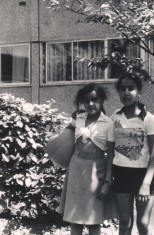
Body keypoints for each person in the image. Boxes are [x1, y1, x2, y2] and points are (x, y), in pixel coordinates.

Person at [59, 83, 117, 235]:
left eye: (94, 99)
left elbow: (111, 154)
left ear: (102, 100)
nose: (90, 104)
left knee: (93, 220)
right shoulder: (78, 118)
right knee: (75, 219)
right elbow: (65, 136)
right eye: (86, 100)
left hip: (96, 172)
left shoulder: (108, 123)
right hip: (76, 170)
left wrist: (107, 182)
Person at [110, 73, 154, 235]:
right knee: (125, 222)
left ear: (139, 92)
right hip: (121, 173)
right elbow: (110, 151)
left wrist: (146, 184)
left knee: (143, 224)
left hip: (143, 175)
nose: (126, 93)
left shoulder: (149, 119)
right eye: (122, 89)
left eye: (131, 88)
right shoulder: (115, 117)